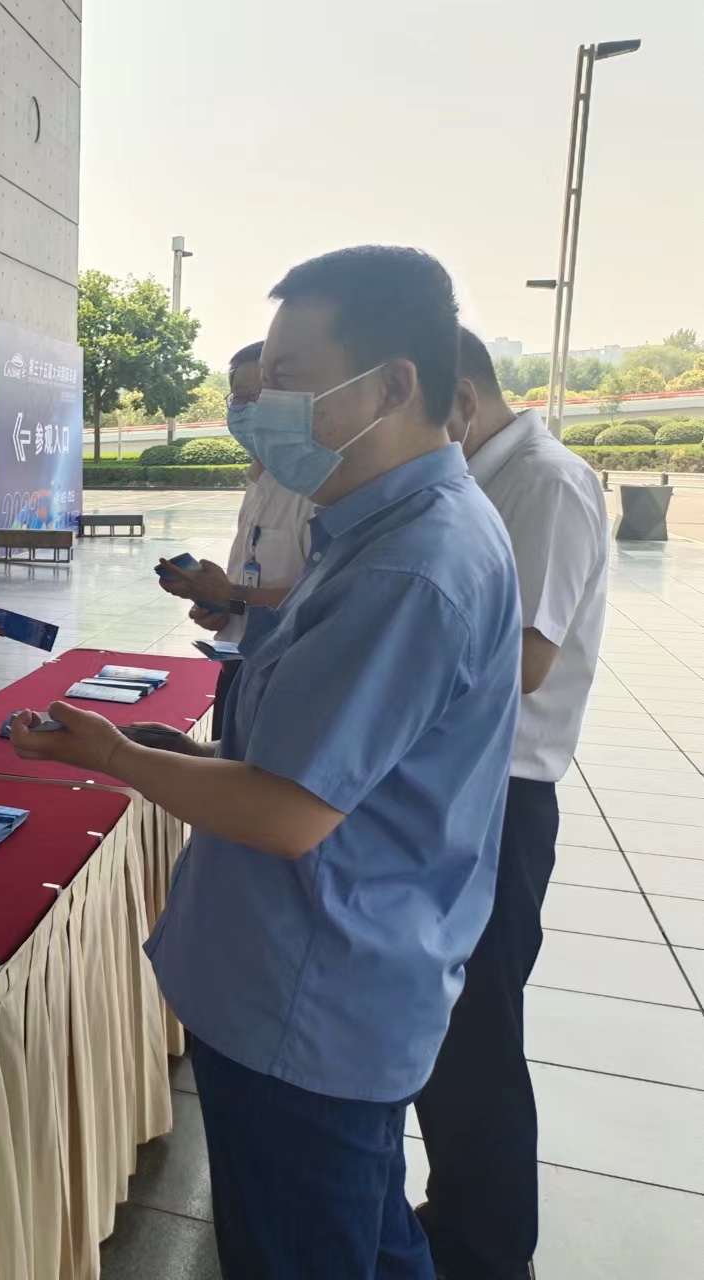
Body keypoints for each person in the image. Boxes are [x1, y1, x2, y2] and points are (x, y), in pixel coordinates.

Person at [10, 247, 521, 1279]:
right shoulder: (379, 527)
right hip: (332, 980)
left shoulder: (412, 565)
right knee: (369, 1239)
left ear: (392, 385)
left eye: (288, 379)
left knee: (303, 1247)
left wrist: (116, 754)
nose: (258, 409)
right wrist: (174, 754)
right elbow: (324, 756)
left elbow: (289, 811)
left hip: (309, 999)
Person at [413, 329, 609, 1280]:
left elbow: (526, 660)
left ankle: (488, 1253)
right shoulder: (482, 479)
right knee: (448, 1034)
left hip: (502, 798)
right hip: (460, 787)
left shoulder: (545, 483)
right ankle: (460, 1211)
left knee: (479, 1042)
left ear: (457, 397)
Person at [157, 341, 314, 737]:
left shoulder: (317, 491)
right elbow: (245, 591)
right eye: (240, 399)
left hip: (287, 679)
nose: (248, 410)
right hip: (236, 665)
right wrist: (220, 606)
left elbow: (324, 601)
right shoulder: (259, 481)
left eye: (261, 398)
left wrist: (233, 597)